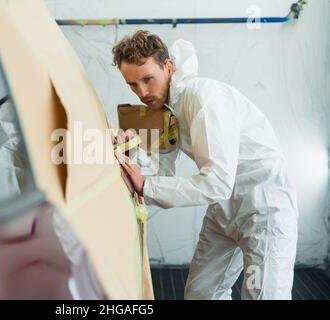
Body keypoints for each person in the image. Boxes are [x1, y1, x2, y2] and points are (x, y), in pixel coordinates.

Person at [112, 30, 298, 300]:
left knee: (264, 296)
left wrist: (146, 186)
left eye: (147, 79)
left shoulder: (203, 98)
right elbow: (161, 171)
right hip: (223, 210)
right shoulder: (166, 110)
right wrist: (129, 153)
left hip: (264, 208)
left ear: (169, 66)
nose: (142, 92)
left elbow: (217, 182)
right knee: (201, 293)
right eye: (132, 84)